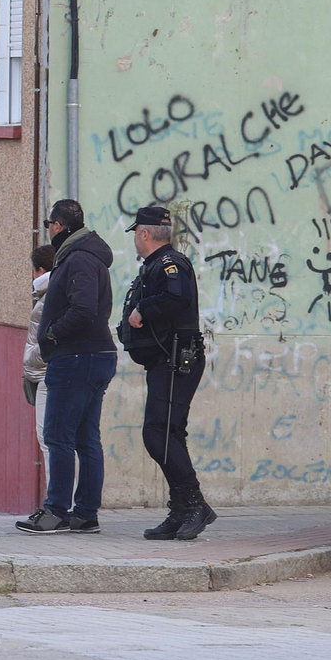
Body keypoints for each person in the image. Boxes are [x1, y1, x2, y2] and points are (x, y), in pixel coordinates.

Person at [17, 199, 116, 535]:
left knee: (59, 435)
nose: (50, 230)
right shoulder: (82, 256)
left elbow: (84, 308)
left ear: (57, 226)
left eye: (50, 225)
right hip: (90, 355)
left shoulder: (79, 259)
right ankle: (85, 514)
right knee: (86, 438)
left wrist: (52, 335)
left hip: (77, 358)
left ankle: (57, 510)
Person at [117, 205, 213, 541]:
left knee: (158, 433)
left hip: (176, 360)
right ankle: (182, 509)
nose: (135, 239)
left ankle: (194, 504)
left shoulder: (170, 263)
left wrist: (143, 308)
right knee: (168, 433)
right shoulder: (155, 265)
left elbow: (176, 297)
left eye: (136, 234)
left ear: (144, 233)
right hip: (164, 360)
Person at [22, 243, 56, 488]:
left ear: (40, 271)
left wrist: (30, 362)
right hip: (51, 371)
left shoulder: (48, 297)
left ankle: (57, 500)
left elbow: (45, 340)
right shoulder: (58, 290)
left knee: (49, 439)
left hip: (47, 373)